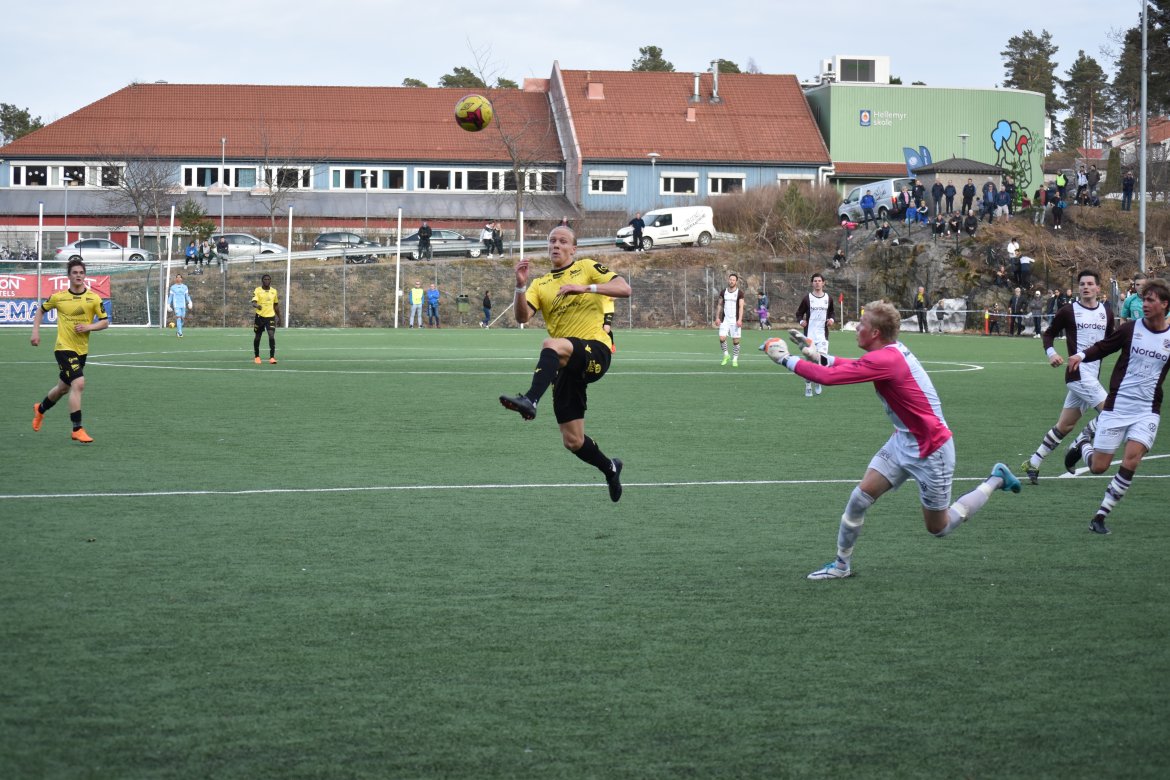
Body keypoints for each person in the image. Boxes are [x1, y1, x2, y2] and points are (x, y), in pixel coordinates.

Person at [766, 302, 1019, 580]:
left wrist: (785, 359)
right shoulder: (887, 353)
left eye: (861, 324)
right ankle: (841, 565)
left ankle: (995, 479)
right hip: (903, 441)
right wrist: (816, 353)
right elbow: (855, 366)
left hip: (931, 450)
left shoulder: (887, 359)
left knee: (939, 527)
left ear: (874, 333)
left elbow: (830, 378)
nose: (857, 327)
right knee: (858, 499)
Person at [498, 225, 632, 502]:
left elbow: (624, 288)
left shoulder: (586, 266)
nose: (555, 245)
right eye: (551, 241)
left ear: (573, 248)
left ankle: (531, 400)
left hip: (595, 350)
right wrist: (521, 286)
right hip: (565, 363)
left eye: (562, 241)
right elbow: (523, 317)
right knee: (573, 440)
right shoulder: (541, 284)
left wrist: (585, 287)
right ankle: (610, 467)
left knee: (550, 344)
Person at [1065, 279, 1170, 534]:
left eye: (1150, 300)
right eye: (1143, 299)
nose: (1144, 304)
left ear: (1165, 305)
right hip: (1118, 406)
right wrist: (1081, 355)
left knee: (1132, 460)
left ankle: (1100, 516)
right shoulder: (1131, 329)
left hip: (1147, 410)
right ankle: (1083, 444)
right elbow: (1104, 347)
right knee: (1099, 467)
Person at [1020, 270, 1113, 485]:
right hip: (1077, 374)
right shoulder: (1068, 311)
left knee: (1065, 426)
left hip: (1092, 375)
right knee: (1111, 412)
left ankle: (1033, 462)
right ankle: (1081, 442)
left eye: (1090, 284)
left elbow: (1108, 342)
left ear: (1098, 288)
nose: (1086, 287)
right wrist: (1051, 353)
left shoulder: (1106, 313)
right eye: (1082, 284)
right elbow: (1049, 334)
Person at [30, 258, 109, 443]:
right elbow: (40, 311)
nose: (78, 275)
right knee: (78, 383)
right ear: (69, 276)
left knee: (62, 388)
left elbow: (105, 322)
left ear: (85, 275)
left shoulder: (93, 298)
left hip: (81, 351)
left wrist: (89, 327)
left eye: (81, 273)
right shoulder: (59, 297)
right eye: (75, 273)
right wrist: (35, 332)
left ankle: (40, 409)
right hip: (63, 348)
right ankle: (77, 429)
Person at [795, 272, 835, 396]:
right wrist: (801, 321)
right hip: (809, 336)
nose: (817, 283)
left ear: (823, 283)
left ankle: (817, 380)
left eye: (819, 281)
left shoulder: (828, 298)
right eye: (815, 281)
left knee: (821, 362)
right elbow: (799, 313)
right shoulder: (807, 298)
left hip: (823, 335)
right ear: (812, 283)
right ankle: (808, 385)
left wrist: (831, 320)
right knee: (809, 362)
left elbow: (832, 312)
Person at [715, 272, 745, 366]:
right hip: (725, 320)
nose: (731, 281)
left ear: (736, 282)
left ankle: (735, 359)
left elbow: (741, 307)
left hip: (735, 320)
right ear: (728, 280)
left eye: (733, 280)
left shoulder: (740, 293)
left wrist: (740, 319)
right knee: (722, 337)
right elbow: (719, 305)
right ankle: (726, 355)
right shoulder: (723, 292)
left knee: (736, 341)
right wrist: (717, 318)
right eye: (730, 279)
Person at [251, 273, 281, 364]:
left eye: (268, 279)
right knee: (257, 337)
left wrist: (279, 317)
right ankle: (257, 356)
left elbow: (276, 305)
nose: (267, 281)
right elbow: (253, 302)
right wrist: (257, 306)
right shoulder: (258, 290)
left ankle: (272, 357)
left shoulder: (274, 291)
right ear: (262, 281)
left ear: (270, 281)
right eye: (265, 279)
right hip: (260, 317)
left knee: (271, 335)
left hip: (270, 317)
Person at [166, 273, 193, 338]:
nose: (178, 278)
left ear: (181, 279)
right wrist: (168, 304)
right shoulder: (173, 287)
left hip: (183, 305)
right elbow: (170, 297)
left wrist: (190, 302)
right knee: (178, 317)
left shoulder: (185, 287)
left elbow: (187, 296)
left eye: (179, 277)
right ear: (176, 279)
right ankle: (180, 333)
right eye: (177, 277)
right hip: (176, 305)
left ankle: (178, 330)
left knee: (182, 318)